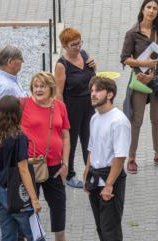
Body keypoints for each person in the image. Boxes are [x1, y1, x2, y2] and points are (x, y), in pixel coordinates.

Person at [0, 95, 76, 241]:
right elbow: (23, 170)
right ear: (16, 113)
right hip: (17, 194)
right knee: (36, 237)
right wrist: (34, 199)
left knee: (8, 236)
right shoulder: (18, 137)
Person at [21, 72, 82, 241]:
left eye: (42, 86)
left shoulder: (59, 106)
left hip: (55, 164)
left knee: (58, 203)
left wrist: (65, 164)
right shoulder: (23, 104)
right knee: (31, 205)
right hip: (30, 165)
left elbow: (66, 136)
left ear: (51, 88)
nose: (38, 89)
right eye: (35, 85)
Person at [83, 77, 131, 241]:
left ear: (109, 94)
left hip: (110, 181)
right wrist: (86, 172)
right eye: (92, 90)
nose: (93, 94)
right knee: (102, 228)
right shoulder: (95, 118)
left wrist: (109, 185)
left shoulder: (119, 121)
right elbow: (92, 149)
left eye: (98, 91)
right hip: (95, 178)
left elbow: (120, 157)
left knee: (111, 231)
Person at [120, 0, 158, 174]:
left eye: (155, 8)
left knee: (157, 119)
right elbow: (125, 58)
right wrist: (143, 62)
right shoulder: (132, 33)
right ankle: (131, 158)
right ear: (142, 9)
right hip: (140, 80)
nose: (151, 11)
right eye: (148, 7)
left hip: (157, 80)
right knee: (136, 120)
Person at [55, 27, 96, 188]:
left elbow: (92, 78)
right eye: (74, 45)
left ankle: (91, 171)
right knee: (70, 141)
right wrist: (62, 115)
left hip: (88, 104)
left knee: (89, 138)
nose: (78, 47)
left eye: (80, 43)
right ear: (65, 46)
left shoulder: (84, 55)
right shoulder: (62, 64)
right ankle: (69, 174)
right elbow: (58, 93)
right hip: (71, 107)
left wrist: (94, 66)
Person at [0, 45, 27, 112]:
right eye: (20, 59)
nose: (22, 62)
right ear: (10, 62)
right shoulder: (7, 88)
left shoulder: (0, 75)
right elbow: (7, 118)